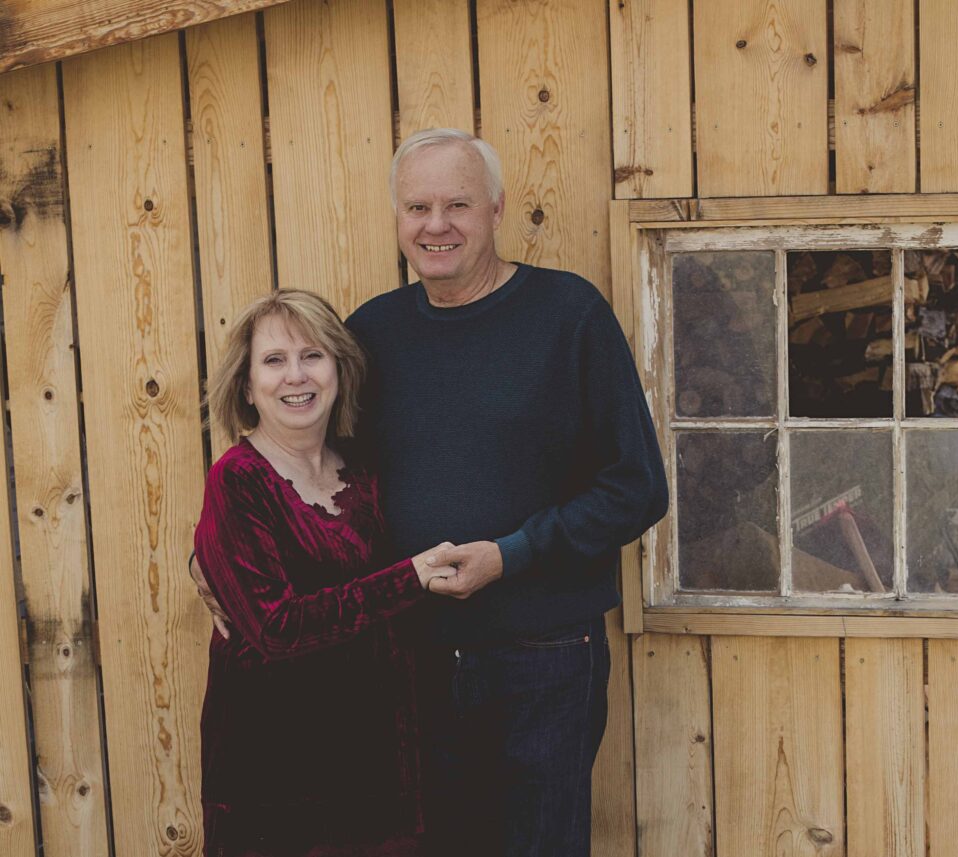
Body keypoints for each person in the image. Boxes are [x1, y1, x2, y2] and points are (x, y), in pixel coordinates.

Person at [194, 129, 668, 856]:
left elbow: (636, 486)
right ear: (398, 218)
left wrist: (511, 554)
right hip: (406, 667)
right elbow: (314, 473)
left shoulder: (568, 315)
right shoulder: (373, 334)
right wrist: (214, 556)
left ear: (497, 209)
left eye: (457, 204)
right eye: (418, 206)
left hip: (541, 656)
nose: (436, 224)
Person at [193, 290, 452, 857]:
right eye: (274, 360)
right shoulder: (238, 479)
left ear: (339, 369)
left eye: (312, 355)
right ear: (246, 385)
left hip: (377, 760)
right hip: (275, 775)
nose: (295, 376)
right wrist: (410, 578)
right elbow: (277, 626)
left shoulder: (363, 468)